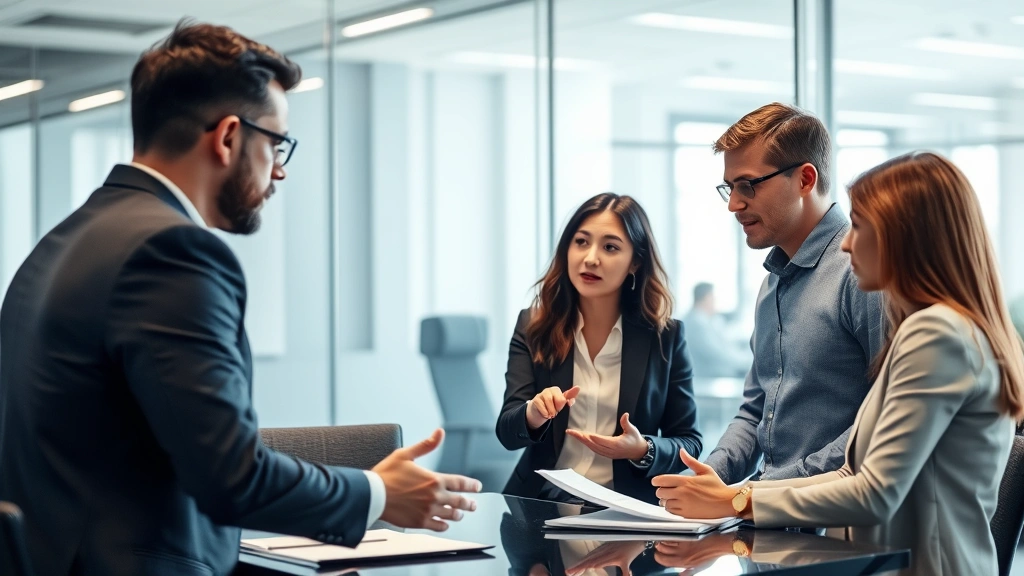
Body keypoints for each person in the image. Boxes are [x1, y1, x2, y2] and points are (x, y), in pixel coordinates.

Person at [0, 21, 479, 576]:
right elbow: (230, 475)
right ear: (229, 137)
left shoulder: (62, 242)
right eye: (276, 142)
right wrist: (375, 493)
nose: (278, 169)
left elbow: (157, 443)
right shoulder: (173, 251)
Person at [654, 152, 1024, 576]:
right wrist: (738, 495)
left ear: (907, 237)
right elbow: (852, 471)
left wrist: (739, 500)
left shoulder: (937, 334)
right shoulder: (936, 329)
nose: (847, 242)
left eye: (862, 227)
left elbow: (875, 492)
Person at [700, 103, 884, 485]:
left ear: (804, 179)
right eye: (729, 187)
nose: (734, 204)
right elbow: (755, 412)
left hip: (837, 523)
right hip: (771, 516)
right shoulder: (773, 282)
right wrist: (711, 476)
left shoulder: (861, 272)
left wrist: (770, 489)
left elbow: (886, 418)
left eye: (748, 185)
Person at [496, 192, 702, 504]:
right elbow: (506, 433)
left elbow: (689, 440)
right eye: (581, 242)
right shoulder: (533, 325)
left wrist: (643, 449)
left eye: (610, 247)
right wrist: (534, 413)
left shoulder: (665, 336)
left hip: (627, 509)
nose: (591, 258)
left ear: (635, 261)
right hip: (542, 504)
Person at [682, 282, 750, 378]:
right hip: (708, 377)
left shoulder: (704, 319)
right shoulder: (697, 323)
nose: (715, 302)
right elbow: (717, 353)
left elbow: (725, 345)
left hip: (714, 372)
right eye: (713, 298)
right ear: (706, 299)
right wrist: (747, 361)